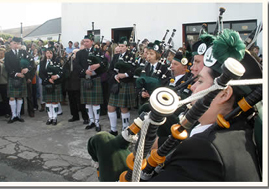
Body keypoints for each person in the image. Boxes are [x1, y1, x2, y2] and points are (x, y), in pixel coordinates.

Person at [88, 29, 262, 182]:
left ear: (224, 93)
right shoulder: (235, 131)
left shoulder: (205, 150)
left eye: (200, 81)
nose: (193, 86)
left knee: (103, 144)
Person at [74, 34, 108, 132]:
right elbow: (76, 65)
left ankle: (97, 122)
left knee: (96, 103)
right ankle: (91, 121)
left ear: (92, 42)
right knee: (88, 102)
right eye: (84, 41)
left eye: (87, 41)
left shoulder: (98, 51)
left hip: (95, 78)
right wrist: (84, 71)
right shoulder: (80, 53)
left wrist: (98, 65)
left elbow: (105, 63)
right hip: (85, 78)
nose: (85, 43)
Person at [107, 36, 137, 136]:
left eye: (123, 46)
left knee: (123, 108)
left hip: (126, 84)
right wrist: (115, 75)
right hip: (116, 84)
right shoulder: (115, 57)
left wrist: (124, 75)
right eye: (119, 46)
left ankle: (125, 129)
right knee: (110, 107)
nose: (120, 48)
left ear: (127, 47)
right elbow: (110, 69)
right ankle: (113, 129)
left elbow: (134, 70)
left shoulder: (132, 56)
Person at [4, 37, 29, 123]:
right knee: (12, 97)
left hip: (22, 77)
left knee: (19, 97)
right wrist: (15, 74)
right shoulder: (7, 54)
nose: (16, 45)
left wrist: (26, 69)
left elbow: (29, 63)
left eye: (18, 43)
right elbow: (7, 66)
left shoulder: (23, 52)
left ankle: (18, 115)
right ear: (11, 44)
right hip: (13, 77)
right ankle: (13, 115)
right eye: (15, 43)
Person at [39, 47, 63, 125]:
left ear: (53, 54)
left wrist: (56, 77)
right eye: (47, 53)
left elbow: (61, 71)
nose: (48, 55)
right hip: (46, 83)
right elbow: (40, 73)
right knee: (48, 102)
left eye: (50, 53)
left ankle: (55, 118)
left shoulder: (57, 61)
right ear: (45, 54)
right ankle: (50, 117)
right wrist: (47, 79)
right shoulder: (42, 62)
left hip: (55, 83)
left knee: (55, 102)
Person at [66, 49, 89, 124]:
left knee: (81, 102)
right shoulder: (69, 62)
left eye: (75, 53)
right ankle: (75, 116)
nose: (73, 54)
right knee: (72, 101)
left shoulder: (80, 62)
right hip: (70, 84)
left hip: (78, 83)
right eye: (73, 53)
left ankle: (85, 117)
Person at [0, 48, 11, 117]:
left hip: (5, 81)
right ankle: (1, 111)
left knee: (5, 98)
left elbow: (9, 68)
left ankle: (7, 112)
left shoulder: (6, 60)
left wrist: (3, 63)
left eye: (1, 53)